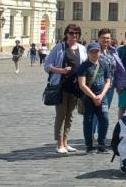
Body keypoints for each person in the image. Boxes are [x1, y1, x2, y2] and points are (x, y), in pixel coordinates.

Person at [44, 24, 87, 154]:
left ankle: (66, 142)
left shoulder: (82, 48)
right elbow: (47, 66)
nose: (74, 35)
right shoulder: (59, 47)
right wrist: (61, 70)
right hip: (61, 86)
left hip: (75, 87)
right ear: (66, 34)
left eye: (76, 33)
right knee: (61, 115)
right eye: (71, 33)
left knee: (70, 116)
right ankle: (59, 143)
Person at [77, 42, 112, 153]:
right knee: (88, 121)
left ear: (100, 52)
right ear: (88, 53)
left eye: (96, 51)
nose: (94, 54)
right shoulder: (83, 66)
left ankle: (102, 144)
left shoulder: (104, 64)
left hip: (103, 98)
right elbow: (82, 85)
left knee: (104, 120)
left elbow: (108, 81)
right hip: (88, 99)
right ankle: (89, 145)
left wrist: (101, 95)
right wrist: (93, 97)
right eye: (92, 51)